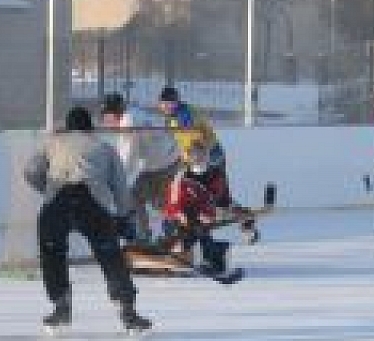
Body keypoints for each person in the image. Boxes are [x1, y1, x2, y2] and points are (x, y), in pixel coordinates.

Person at [23, 105, 152, 334]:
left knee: (52, 253)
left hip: (57, 204)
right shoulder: (104, 147)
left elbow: (31, 171)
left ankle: (61, 306)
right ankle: (127, 311)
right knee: (110, 256)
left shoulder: (52, 142)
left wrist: (48, 191)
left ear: (68, 127)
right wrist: (124, 218)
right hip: (92, 206)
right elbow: (120, 187)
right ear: (90, 127)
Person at [157, 84, 259, 242]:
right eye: (164, 103)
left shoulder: (185, 115)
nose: (167, 106)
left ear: (177, 102)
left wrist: (192, 155)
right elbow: (182, 143)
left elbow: (196, 140)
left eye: (170, 103)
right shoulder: (172, 118)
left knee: (216, 199)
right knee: (198, 196)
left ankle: (246, 221)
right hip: (195, 159)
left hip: (210, 158)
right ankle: (188, 229)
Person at [99, 92, 181, 243]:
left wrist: (115, 182)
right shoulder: (132, 114)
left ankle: (148, 238)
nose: (104, 121)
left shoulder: (127, 123)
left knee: (136, 197)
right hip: (165, 161)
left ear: (114, 113)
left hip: (163, 166)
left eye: (105, 116)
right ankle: (168, 233)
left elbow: (127, 158)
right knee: (155, 201)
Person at [161, 138, 232, 277]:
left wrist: (218, 212)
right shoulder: (181, 176)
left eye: (202, 153)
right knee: (178, 235)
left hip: (203, 217)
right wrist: (180, 215)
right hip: (181, 217)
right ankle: (176, 257)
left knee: (201, 234)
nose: (198, 157)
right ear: (188, 157)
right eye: (194, 154)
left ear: (207, 155)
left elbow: (222, 199)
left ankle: (214, 257)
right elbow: (173, 202)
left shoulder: (216, 175)